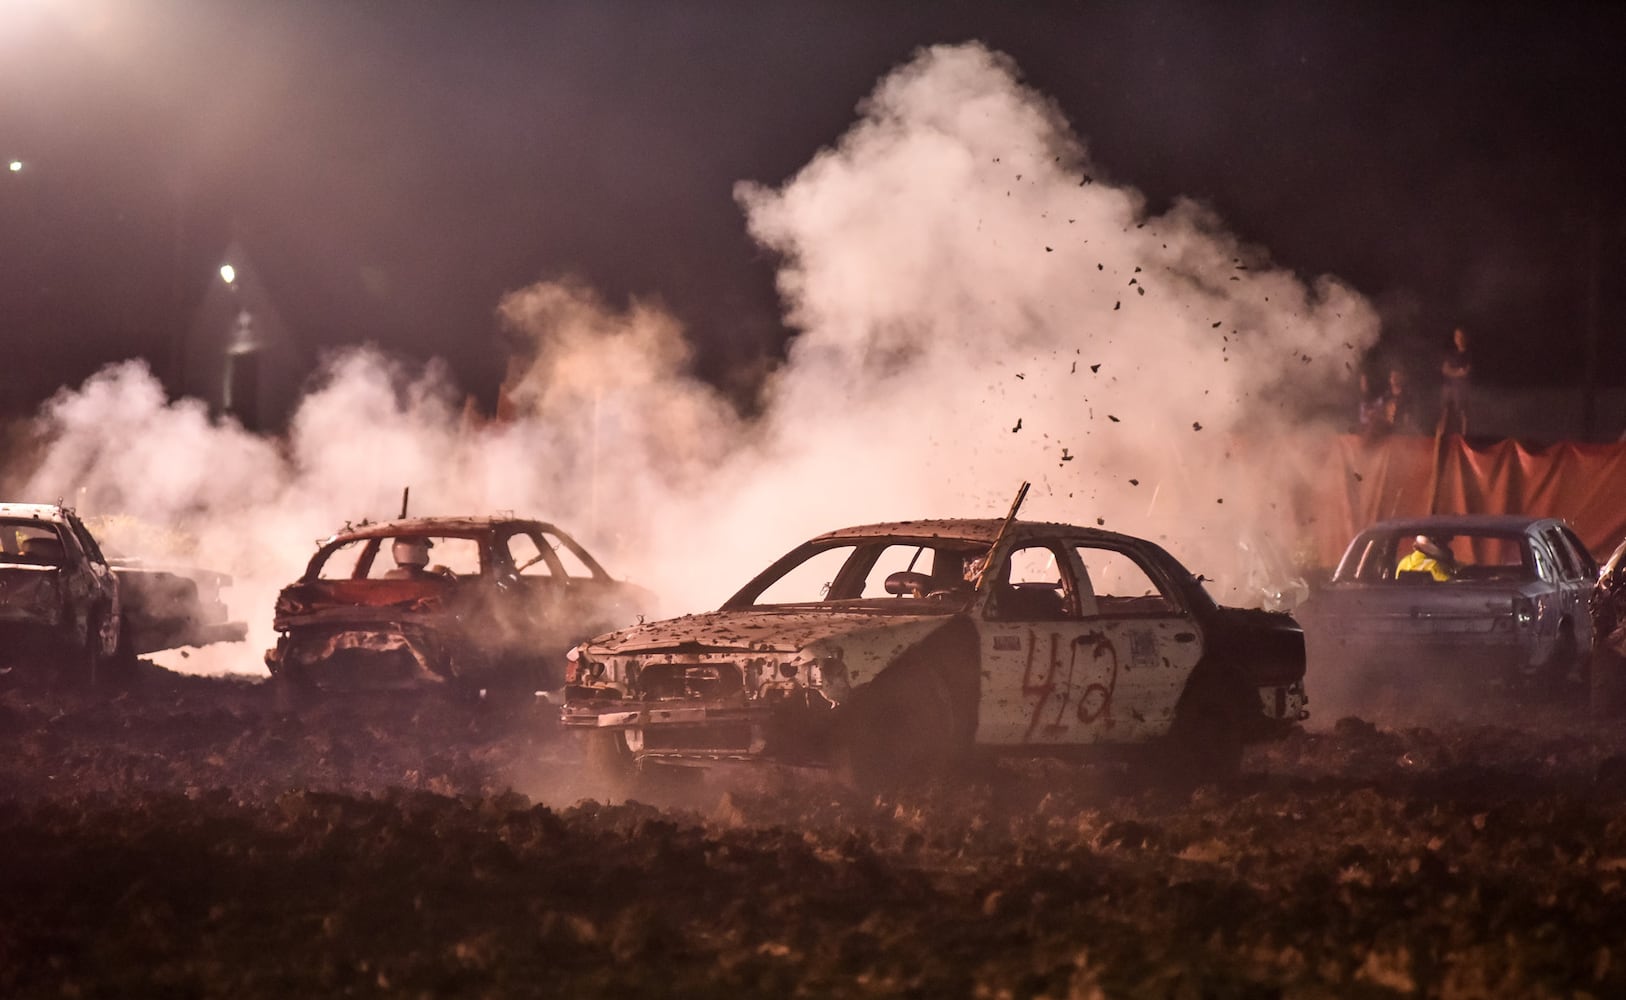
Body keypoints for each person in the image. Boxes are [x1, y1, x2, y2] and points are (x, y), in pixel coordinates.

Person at [1438, 327, 1472, 435]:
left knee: (1462, 412)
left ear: (1466, 338)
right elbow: (1444, 369)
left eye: (1461, 336)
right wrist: (1457, 372)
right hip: (1448, 387)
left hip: (1461, 388)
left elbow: (1466, 372)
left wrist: (1452, 372)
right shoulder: (1451, 354)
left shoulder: (1469, 354)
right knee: (1444, 411)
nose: (1459, 339)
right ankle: (1441, 436)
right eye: (1457, 336)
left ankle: (1463, 437)